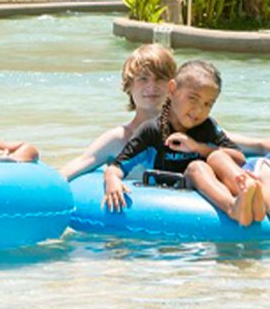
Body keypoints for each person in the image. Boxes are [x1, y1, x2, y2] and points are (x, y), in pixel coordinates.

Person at [61, 44, 267, 180]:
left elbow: (257, 146)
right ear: (129, 87)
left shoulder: (195, 128)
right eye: (143, 79)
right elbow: (79, 164)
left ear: (172, 87)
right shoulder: (118, 139)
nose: (152, 87)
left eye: (159, 79)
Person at [103, 60, 265, 226]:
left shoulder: (207, 126)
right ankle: (232, 208)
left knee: (217, 155)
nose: (199, 110)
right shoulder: (152, 130)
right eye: (193, 99)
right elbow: (117, 166)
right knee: (197, 167)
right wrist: (112, 181)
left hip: (215, 184)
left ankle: (247, 192)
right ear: (172, 90)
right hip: (181, 188)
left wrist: (198, 147)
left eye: (208, 104)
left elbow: (239, 158)